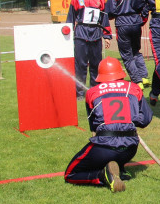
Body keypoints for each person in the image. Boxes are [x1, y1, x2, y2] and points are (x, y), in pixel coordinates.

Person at [64, 57, 153, 192]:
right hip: (130, 148)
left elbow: (94, 127)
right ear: (120, 73)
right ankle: (120, 169)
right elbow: (145, 120)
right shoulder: (134, 88)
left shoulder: (92, 93)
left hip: (104, 147)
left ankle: (102, 176)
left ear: (100, 76)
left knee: (70, 174)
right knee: (115, 152)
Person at [66, 0, 111, 98]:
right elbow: (70, 18)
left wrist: (106, 36)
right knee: (80, 65)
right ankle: (79, 92)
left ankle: (95, 90)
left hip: (96, 34)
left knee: (96, 64)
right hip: (81, 34)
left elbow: (104, 19)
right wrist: (68, 37)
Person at [104, 0, 149, 88]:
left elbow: (110, 12)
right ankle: (144, 77)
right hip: (135, 22)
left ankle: (137, 81)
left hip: (123, 24)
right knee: (136, 52)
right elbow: (145, 7)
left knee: (126, 55)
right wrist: (142, 20)